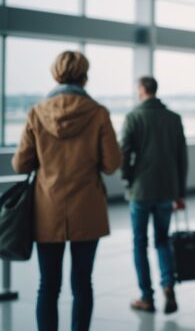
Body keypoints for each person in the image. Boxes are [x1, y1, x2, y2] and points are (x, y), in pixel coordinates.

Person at [12, 51, 121, 331]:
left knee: (47, 284)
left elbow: (20, 163)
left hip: (46, 207)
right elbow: (112, 164)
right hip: (87, 208)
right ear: (85, 75)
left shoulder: (36, 113)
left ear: (55, 73)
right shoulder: (98, 113)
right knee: (82, 284)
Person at [120, 76, 188, 314]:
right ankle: (168, 286)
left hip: (140, 189)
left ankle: (146, 297)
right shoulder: (173, 119)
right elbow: (182, 158)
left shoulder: (133, 117)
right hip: (167, 190)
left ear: (141, 90)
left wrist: (127, 179)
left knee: (140, 242)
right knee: (162, 240)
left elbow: (124, 154)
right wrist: (180, 192)